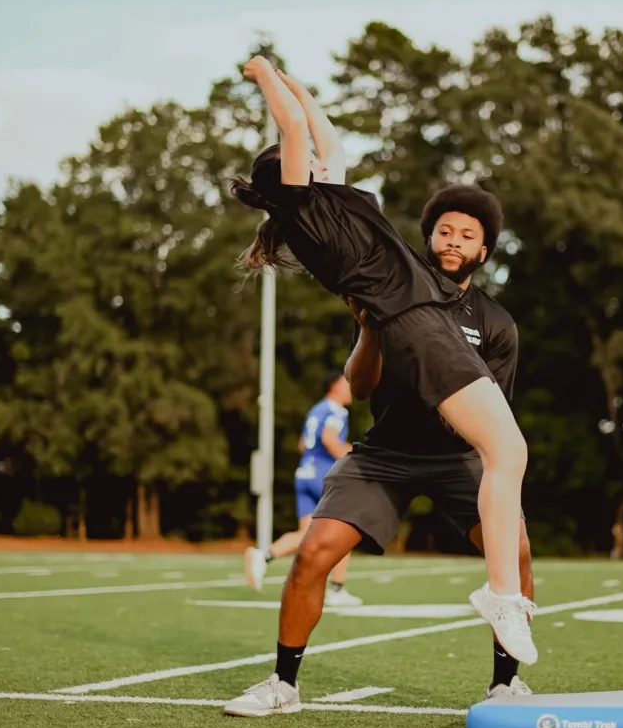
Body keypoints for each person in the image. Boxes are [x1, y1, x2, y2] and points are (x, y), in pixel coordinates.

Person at [227, 56, 535, 669]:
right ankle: (502, 596)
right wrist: (263, 73)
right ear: (290, 178)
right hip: (414, 327)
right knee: (510, 453)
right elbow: (293, 128)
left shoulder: (332, 200)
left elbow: (325, 134)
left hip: (421, 325)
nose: (319, 156)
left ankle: (502, 594)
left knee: (506, 454)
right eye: (306, 160)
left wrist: (296, 83)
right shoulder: (303, 209)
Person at [244, 371, 363, 608]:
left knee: (307, 535)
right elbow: (330, 440)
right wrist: (354, 460)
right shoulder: (336, 411)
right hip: (323, 475)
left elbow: (303, 444)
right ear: (333, 387)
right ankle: (336, 589)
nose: (351, 388)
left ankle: (264, 556)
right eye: (345, 384)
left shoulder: (316, 410)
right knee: (348, 528)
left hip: (305, 473)